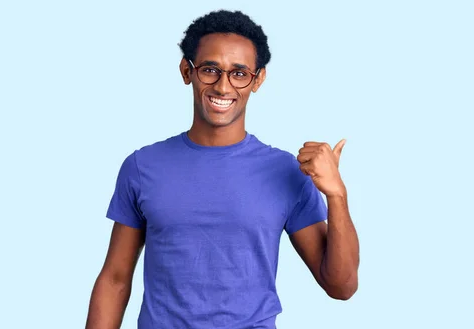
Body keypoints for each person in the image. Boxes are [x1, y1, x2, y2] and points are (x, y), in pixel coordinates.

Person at [85, 9, 359, 329]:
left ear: (258, 80)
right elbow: (115, 279)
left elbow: (342, 286)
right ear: (187, 71)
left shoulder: (285, 171)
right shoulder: (142, 167)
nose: (223, 87)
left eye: (239, 73)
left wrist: (337, 195)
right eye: (210, 70)